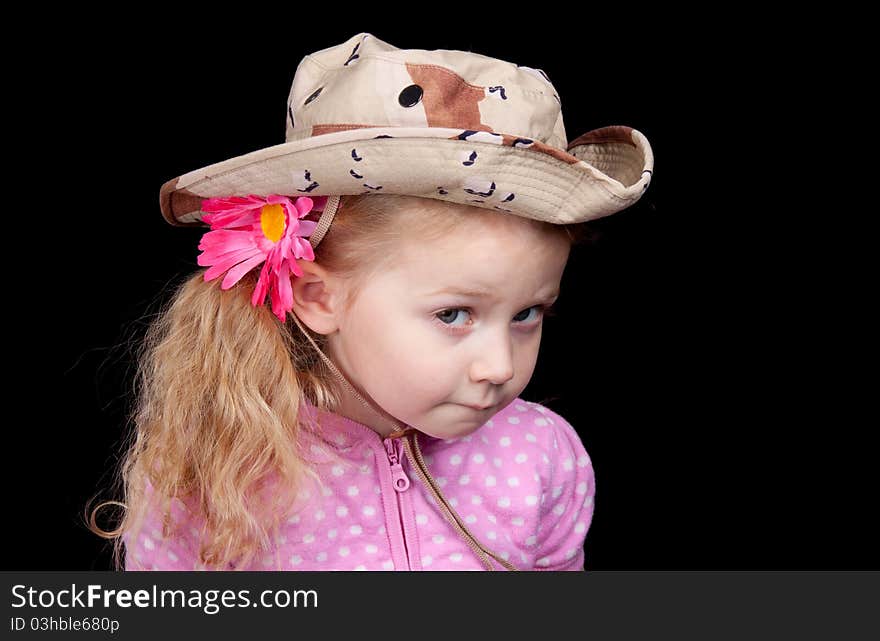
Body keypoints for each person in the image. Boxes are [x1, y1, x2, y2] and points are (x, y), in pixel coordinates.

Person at [87, 32, 653, 571]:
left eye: (527, 313)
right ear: (317, 295)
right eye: (453, 314)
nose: (500, 367)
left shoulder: (541, 453)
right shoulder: (217, 470)